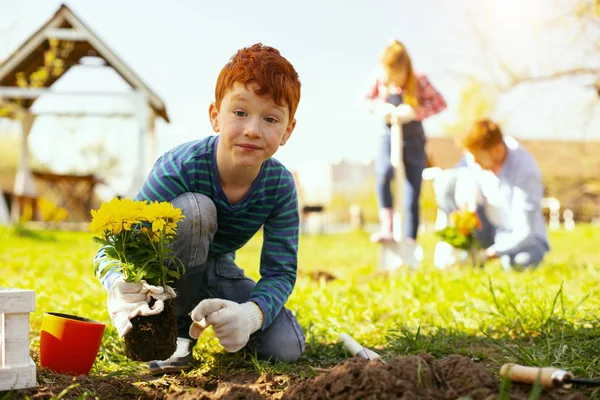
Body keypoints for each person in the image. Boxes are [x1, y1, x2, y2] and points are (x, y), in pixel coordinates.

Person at [94, 43, 305, 374]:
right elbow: (116, 244)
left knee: (285, 346)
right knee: (197, 208)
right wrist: (118, 283)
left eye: (270, 118)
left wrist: (251, 314)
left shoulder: (280, 186)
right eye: (240, 113)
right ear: (215, 116)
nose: (252, 129)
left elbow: (280, 271)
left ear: (287, 130)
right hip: (168, 271)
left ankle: (215, 318)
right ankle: (175, 333)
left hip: (220, 272)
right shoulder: (180, 168)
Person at [433, 118, 550, 270]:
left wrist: (490, 254)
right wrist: (467, 189)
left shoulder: (525, 172)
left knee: (522, 261)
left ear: (497, 150)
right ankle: (464, 251)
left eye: (478, 158)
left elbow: (525, 231)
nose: (474, 163)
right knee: (446, 182)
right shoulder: (475, 155)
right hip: (487, 225)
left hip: (516, 234)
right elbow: (459, 174)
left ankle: (486, 258)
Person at [364, 40, 446, 244]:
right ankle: (387, 227)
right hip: (388, 134)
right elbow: (365, 100)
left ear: (405, 68)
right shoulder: (379, 79)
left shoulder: (418, 79)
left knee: (412, 188)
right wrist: (380, 108)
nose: (393, 79)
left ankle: (410, 238)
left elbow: (440, 103)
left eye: (396, 74)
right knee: (383, 173)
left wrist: (416, 112)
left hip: (414, 139)